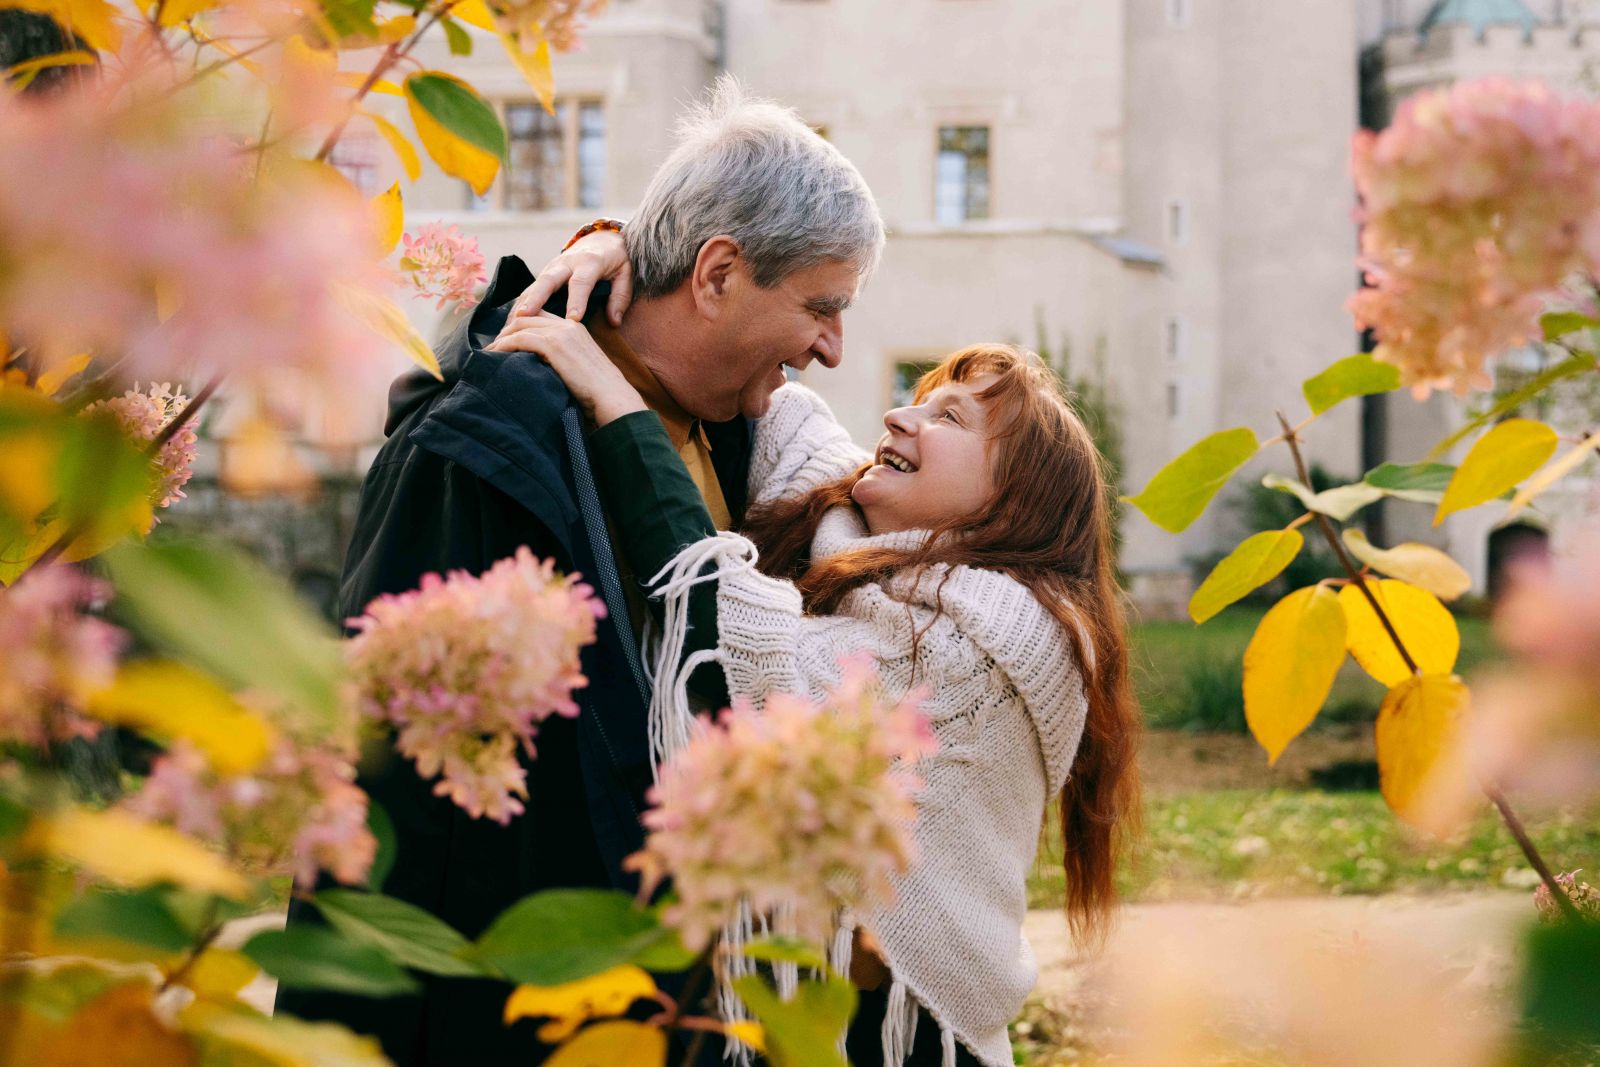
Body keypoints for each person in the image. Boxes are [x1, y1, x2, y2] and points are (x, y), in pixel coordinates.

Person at [275, 77, 882, 1066]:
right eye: (820, 306)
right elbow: (382, 787)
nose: (833, 345)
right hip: (516, 1009)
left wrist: (608, 234)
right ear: (719, 273)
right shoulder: (480, 444)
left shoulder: (742, 428)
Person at [493, 260, 1142, 1065]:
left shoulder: (996, 643)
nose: (901, 416)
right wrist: (631, 246)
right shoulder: (860, 534)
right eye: (917, 398)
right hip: (815, 1006)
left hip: (903, 1033)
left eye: (949, 418)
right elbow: (775, 388)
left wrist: (617, 406)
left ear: (1013, 502)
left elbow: (739, 641)